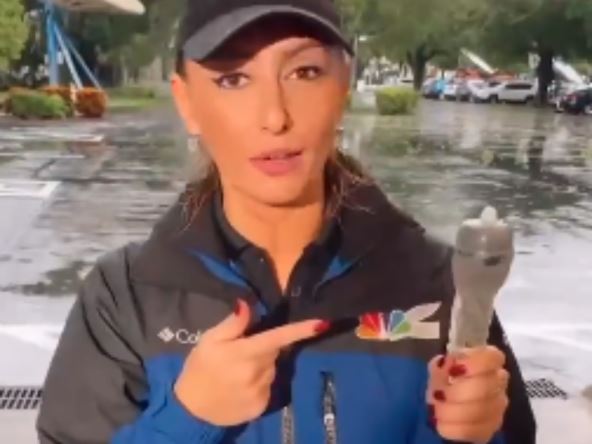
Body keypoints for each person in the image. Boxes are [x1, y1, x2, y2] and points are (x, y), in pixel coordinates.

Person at [37, 1, 536, 443]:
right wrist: (186, 418)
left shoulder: (438, 284)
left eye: (305, 72)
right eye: (233, 79)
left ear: (343, 86)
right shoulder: (125, 297)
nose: (274, 117)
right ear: (187, 102)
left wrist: (472, 431)